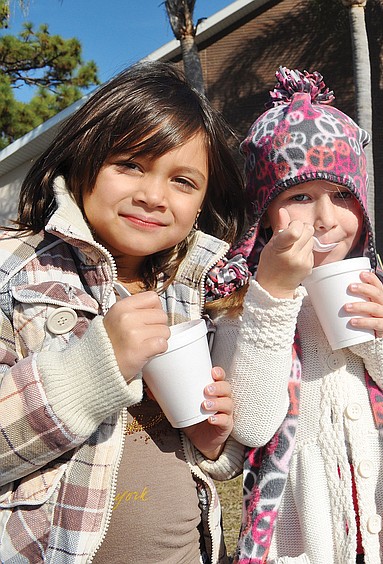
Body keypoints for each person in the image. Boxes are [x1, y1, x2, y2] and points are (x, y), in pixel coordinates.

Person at [208, 67, 383, 564]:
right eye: (300, 197)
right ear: (264, 212)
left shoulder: (379, 294)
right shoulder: (241, 307)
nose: (325, 217)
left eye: (342, 195)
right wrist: (274, 297)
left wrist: (380, 345)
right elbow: (254, 428)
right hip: (301, 547)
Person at [0, 61, 248, 563]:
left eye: (183, 181)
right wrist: (95, 367)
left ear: (202, 201)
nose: (153, 196)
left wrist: (214, 443)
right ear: (83, 160)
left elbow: (203, 455)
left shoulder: (191, 286)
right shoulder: (14, 270)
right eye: (131, 164)